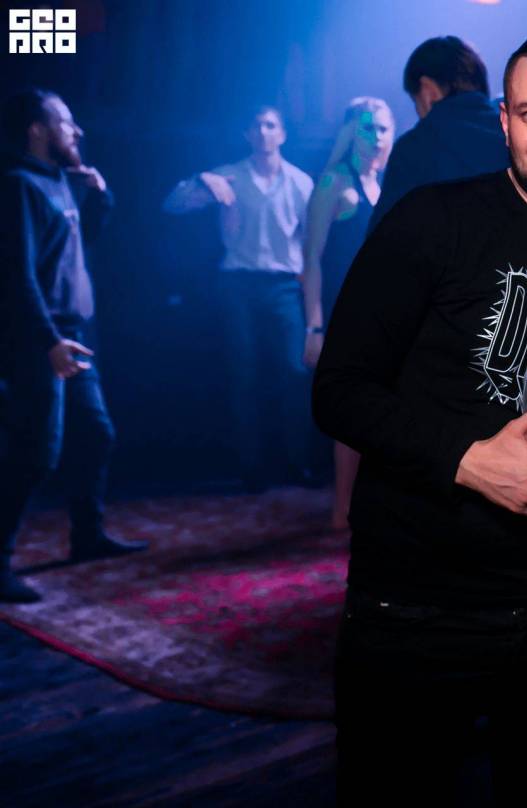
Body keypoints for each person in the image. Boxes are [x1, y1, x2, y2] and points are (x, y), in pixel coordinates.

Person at [311, 27, 527, 806]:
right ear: (505, 120)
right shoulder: (434, 220)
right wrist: (466, 457)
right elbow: (339, 389)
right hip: (418, 607)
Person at [0, 89, 146, 604]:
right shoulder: (20, 185)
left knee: (96, 434)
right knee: (36, 453)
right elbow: (17, 275)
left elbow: (79, 249)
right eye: (65, 122)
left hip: (76, 335)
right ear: (37, 130)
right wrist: (48, 341)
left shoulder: (61, 180)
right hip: (43, 339)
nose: (76, 130)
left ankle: (87, 535)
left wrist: (100, 198)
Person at [163, 106, 314, 492]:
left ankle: (296, 461)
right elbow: (173, 203)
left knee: (294, 372)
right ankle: (251, 467)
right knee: (243, 374)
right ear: (247, 134)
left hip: (283, 285)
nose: (263, 132)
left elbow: (312, 239)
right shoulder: (229, 174)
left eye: (270, 125)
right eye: (256, 125)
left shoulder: (300, 182)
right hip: (238, 284)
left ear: (282, 134)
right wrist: (203, 179)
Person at [302, 97, 394, 530]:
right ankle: (341, 509)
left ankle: (366, 504)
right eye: (368, 128)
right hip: (344, 310)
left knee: (381, 410)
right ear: (350, 133)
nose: (376, 137)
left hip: (384, 312)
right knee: (352, 413)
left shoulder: (387, 184)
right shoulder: (334, 182)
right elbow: (311, 259)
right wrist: (313, 326)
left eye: (383, 128)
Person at [366, 35, 509, 235]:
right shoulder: (518, 136)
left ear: (428, 91)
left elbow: (383, 240)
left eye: (415, 102)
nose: (418, 113)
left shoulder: (415, 149)